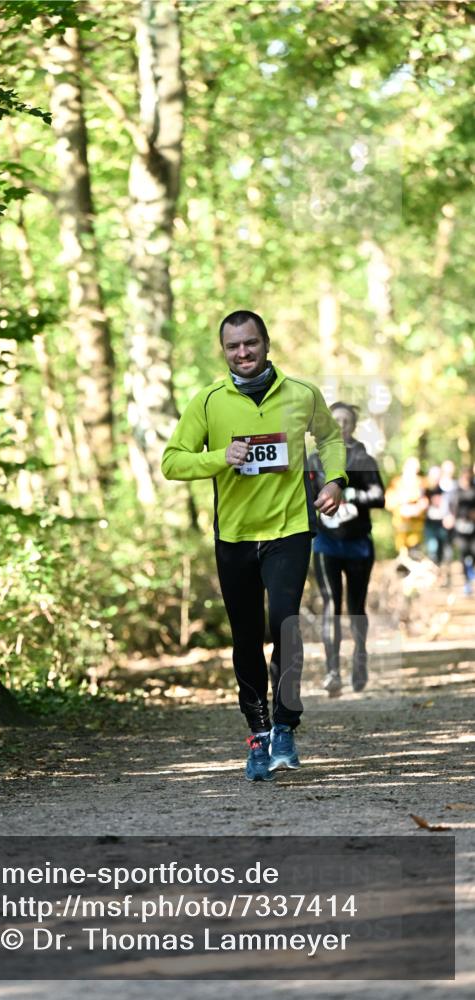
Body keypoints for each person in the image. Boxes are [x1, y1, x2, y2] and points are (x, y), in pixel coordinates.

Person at [161, 310, 346, 782]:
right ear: (223, 351)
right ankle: (258, 734)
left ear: (266, 343)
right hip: (236, 538)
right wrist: (220, 457)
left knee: (284, 626)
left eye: (250, 343)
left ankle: (286, 724)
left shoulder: (302, 393)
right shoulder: (208, 402)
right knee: (245, 638)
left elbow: (329, 437)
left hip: (288, 530)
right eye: (232, 346)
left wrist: (337, 480)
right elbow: (172, 462)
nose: (243, 353)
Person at [307, 402, 385, 696]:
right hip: (326, 542)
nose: (340, 425)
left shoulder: (363, 457)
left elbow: (379, 497)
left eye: (346, 421)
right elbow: (305, 497)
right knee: (330, 605)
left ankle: (360, 657)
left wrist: (351, 494)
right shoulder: (314, 460)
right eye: (335, 420)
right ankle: (332, 672)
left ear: (353, 425)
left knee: (355, 608)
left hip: (358, 543)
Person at [385, 457, 427, 555]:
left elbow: (425, 502)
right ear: (405, 468)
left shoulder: (421, 483)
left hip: (416, 528)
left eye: (416, 470)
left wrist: (417, 508)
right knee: (403, 556)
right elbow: (388, 502)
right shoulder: (396, 483)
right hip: (401, 525)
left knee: (415, 554)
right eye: (411, 469)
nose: (413, 472)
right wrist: (402, 506)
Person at [449, 468, 475, 596]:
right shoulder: (456, 491)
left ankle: (472, 574)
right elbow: (451, 507)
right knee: (464, 554)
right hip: (460, 529)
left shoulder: (473, 489)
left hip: (473, 528)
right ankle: (467, 582)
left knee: (473, 552)